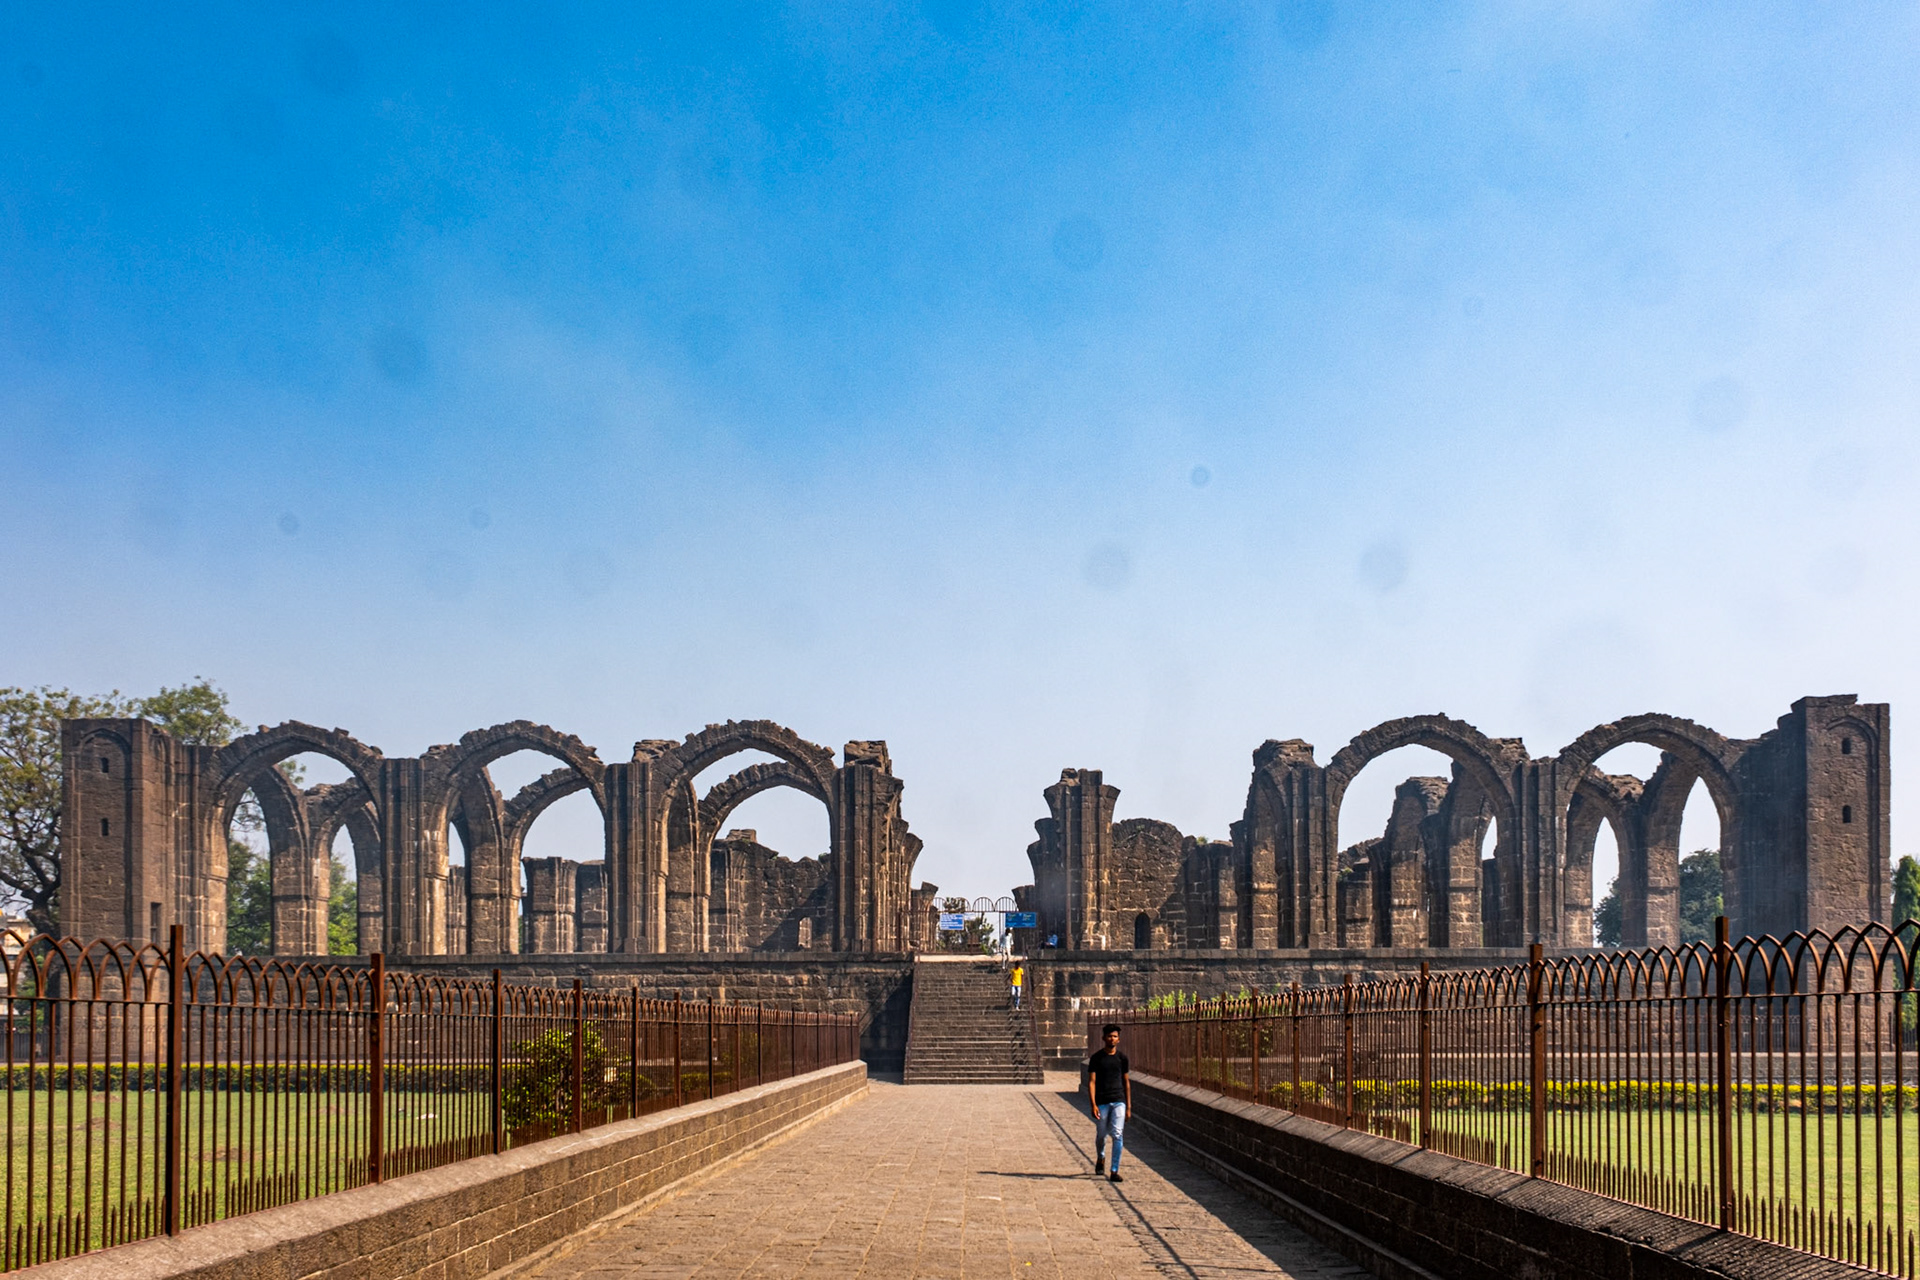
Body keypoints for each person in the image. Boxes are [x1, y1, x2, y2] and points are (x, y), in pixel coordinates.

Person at [1086, 1023, 1130, 1182]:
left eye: (1115, 1036)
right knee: (1101, 1136)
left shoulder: (1122, 1058)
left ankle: (1114, 1170)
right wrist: (1093, 1104)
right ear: (1104, 1038)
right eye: (1110, 1036)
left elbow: (1126, 1082)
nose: (1112, 1039)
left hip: (1119, 1100)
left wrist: (1129, 1106)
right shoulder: (1097, 1058)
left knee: (1118, 1134)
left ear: (1119, 1039)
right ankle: (1101, 1157)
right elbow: (1091, 1082)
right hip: (1102, 1101)